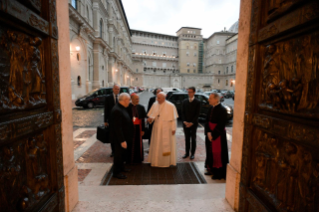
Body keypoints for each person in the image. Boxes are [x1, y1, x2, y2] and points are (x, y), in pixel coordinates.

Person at [147, 92, 178, 167]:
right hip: (157, 127)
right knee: (156, 144)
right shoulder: (155, 104)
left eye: (159, 98)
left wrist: (174, 129)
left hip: (167, 127)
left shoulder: (171, 106)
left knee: (165, 144)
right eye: (157, 98)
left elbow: (174, 119)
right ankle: (155, 161)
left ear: (164, 98)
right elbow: (152, 115)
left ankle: (166, 162)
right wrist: (150, 119)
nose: (157, 99)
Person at [204, 93, 229, 180]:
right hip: (210, 134)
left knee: (217, 154)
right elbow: (206, 121)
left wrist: (213, 135)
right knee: (209, 152)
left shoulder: (222, 109)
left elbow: (221, 125)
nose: (208, 100)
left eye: (210, 98)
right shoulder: (211, 108)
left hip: (218, 135)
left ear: (216, 99)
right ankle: (211, 169)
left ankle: (218, 173)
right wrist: (208, 132)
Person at [109, 93, 133, 179]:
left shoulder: (122, 108)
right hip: (118, 138)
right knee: (118, 155)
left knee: (122, 154)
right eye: (129, 100)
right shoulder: (117, 110)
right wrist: (122, 140)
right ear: (125, 100)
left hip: (124, 136)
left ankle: (122, 168)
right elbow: (117, 127)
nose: (129, 102)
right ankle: (116, 172)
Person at [181, 87, 201, 160]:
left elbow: (197, 114)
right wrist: (184, 121)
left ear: (194, 92)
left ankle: (192, 154)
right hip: (185, 123)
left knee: (193, 139)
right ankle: (187, 153)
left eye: (190, 92)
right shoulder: (184, 101)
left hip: (193, 124)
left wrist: (192, 122)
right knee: (186, 138)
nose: (189, 93)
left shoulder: (197, 102)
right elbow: (182, 113)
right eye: (188, 92)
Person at [127, 93, 146, 164]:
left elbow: (143, 119)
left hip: (138, 128)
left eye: (138, 99)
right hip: (130, 128)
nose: (138, 100)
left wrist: (143, 130)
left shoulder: (141, 107)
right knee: (130, 144)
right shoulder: (127, 107)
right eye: (136, 99)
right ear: (132, 99)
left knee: (138, 144)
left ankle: (138, 159)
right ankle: (130, 159)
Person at [104, 84, 120, 157]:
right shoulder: (108, 98)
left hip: (120, 121)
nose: (117, 90)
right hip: (111, 121)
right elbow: (106, 110)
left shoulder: (121, 97)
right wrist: (105, 120)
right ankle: (113, 151)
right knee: (112, 136)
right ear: (113, 89)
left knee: (120, 136)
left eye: (118, 89)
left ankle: (119, 150)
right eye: (116, 89)